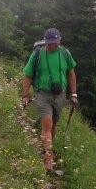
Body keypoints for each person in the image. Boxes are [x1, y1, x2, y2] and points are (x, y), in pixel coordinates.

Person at [21, 28, 78, 172]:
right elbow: (28, 75)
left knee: (54, 125)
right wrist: (25, 95)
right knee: (47, 123)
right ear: (45, 42)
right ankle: (48, 157)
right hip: (43, 94)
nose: (52, 46)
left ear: (59, 41)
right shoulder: (38, 54)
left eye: (55, 43)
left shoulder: (65, 54)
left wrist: (74, 94)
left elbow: (71, 73)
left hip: (60, 95)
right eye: (49, 43)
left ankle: (48, 149)